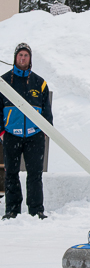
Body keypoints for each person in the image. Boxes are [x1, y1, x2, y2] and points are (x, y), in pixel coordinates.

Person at [0, 43, 53, 220]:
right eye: (20, 55)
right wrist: (2, 131)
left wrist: (46, 130)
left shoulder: (40, 83)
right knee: (11, 174)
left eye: (26, 55)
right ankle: (12, 210)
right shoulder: (4, 81)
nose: (23, 58)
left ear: (30, 59)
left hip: (34, 136)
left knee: (35, 175)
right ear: (15, 58)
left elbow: (47, 111)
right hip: (11, 135)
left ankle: (36, 210)